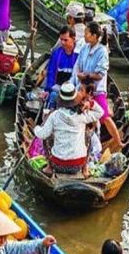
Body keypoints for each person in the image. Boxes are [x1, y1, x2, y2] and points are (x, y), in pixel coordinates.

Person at [70, 21, 122, 149]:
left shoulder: (102, 51)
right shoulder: (85, 48)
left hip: (96, 90)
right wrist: (79, 76)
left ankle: (119, 142)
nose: (85, 36)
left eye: (87, 33)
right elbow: (78, 66)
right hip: (83, 88)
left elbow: (100, 74)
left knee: (104, 116)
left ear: (94, 36)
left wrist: (86, 75)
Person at [34, 83, 103, 177]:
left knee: (47, 136)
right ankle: (85, 169)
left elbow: (42, 134)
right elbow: (100, 112)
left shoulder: (55, 115)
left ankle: (49, 167)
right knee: (89, 134)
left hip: (57, 164)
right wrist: (90, 104)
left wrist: (36, 128)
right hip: (78, 165)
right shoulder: (82, 116)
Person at [43, 26, 79, 108]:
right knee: (52, 96)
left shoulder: (79, 54)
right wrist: (48, 89)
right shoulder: (56, 53)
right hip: (58, 87)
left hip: (74, 89)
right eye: (61, 40)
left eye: (65, 40)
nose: (62, 43)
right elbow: (51, 73)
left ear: (73, 38)